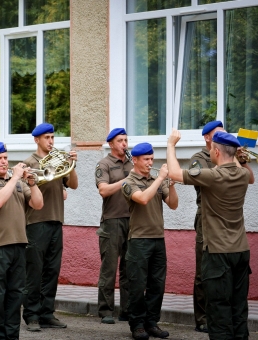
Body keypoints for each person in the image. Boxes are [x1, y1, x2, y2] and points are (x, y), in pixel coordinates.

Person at [167, 129, 254, 340]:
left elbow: (175, 174)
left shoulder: (213, 176)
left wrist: (170, 145)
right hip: (241, 251)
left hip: (218, 253)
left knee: (218, 310)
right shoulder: (243, 175)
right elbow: (248, 173)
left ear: (215, 152)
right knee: (238, 308)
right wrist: (238, 155)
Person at [0, 141, 43, 340]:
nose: (4, 161)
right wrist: (14, 178)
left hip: (19, 247)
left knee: (15, 299)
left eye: (5, 158)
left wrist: (32, 182)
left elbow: (38, 204)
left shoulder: (20, 183)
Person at [22, 123, 78, 332]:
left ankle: (47, 313)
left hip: (56, 220)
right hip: (36, 222)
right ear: (37, 140)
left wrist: (72, 165)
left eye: (52, 137)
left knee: (52, 271)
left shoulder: (59, 160)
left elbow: (72, 185)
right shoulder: (29, 163)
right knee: (34, 272)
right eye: (47, 137)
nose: (51, 141)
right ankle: (31, 315)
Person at [121, 142, 178, 340]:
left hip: (158, 238)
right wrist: (161, 178)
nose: (150, 162)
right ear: (135, 160)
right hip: (138, 240)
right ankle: (137, 324)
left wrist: (170, 184)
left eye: (152, 159)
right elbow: (143, 198)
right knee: (137, 285)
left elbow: (173, 205)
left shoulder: (157, 179)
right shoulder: (128, 182)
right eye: (146, 159)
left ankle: (152, 322)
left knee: (157, 284)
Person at [189, 120, 225, 333]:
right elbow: (202, 181)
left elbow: (247, 179)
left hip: (226, 217)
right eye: (218, 134)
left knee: (224, 269)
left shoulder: (228, 157)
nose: (222, 136)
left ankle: (219, 315)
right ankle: (202, 318)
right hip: (206, 217)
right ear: (207, 138)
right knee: (204, 270)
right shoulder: (198, 159)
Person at [95, 128, 133, 324]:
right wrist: (127, 179)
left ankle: (126, 310)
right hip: (112, 220)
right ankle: (105, 310)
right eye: (120, 141)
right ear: (111, 144)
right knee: (109, 268)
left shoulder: (132, 162)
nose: (124, 144)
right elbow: (104, 190)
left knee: (129, 268)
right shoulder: (105, 164)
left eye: (126, 140)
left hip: (132, 220)